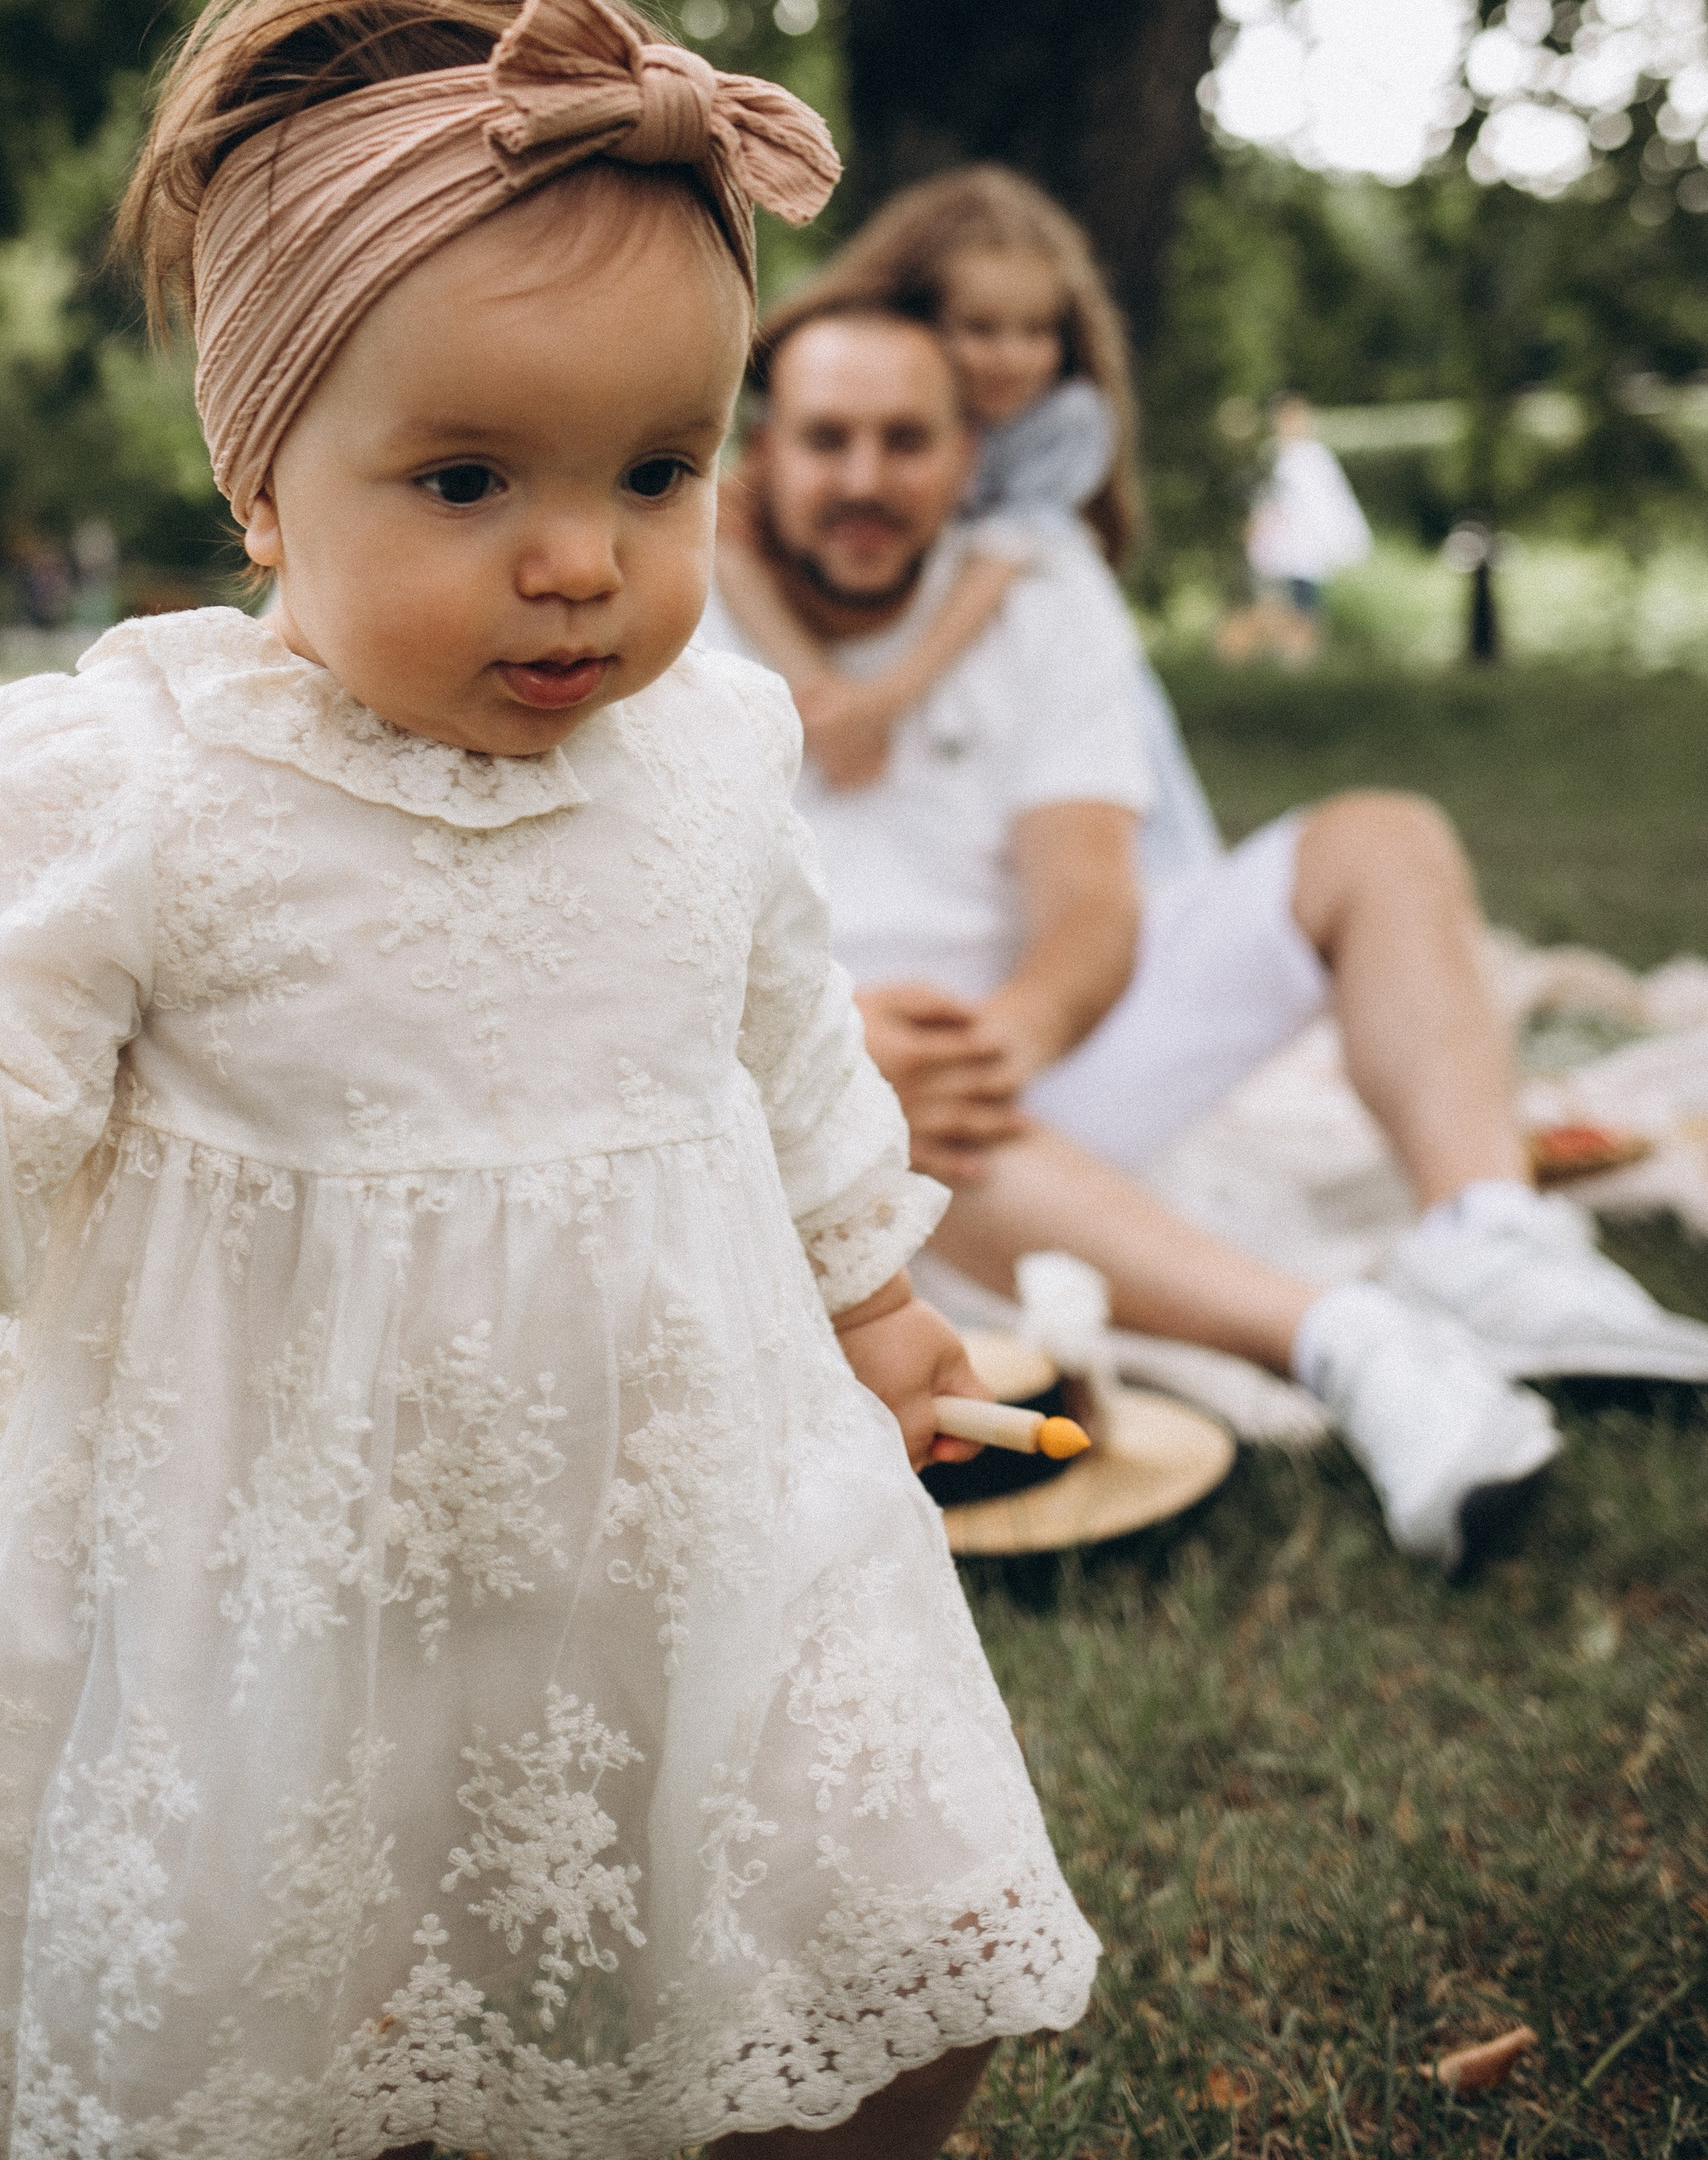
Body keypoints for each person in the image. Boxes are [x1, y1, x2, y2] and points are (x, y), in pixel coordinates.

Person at [0, 0, 1099, 2160]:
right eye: (470, 484)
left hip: (680, 1506)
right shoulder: (153, 782)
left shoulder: (707, 757)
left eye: (659, 471)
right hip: (293, 1553)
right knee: (338, 2001)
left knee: (884, 1941)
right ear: (265, 486)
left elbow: (782, 1047)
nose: (581, 563)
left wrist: (876, 1306)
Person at [700, 291, 1708, 1565]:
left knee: (1380, 841)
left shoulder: (1035, 597)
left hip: (1034, 1048)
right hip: (827, 1094)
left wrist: (1020, 1028)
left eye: (906, 441)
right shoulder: (684, 622)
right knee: (874, 1113)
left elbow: (1088, 896)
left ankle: (1493, 1248)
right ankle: (1355, 1348)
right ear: (765, 450)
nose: (863, 477)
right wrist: (827, 1044)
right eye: (827, 438)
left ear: (968, 455)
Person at [714, 168, 1220, 879]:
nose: (1011, 359)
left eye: (1036, 332)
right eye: (980, 329)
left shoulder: (1055, 432)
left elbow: (994, 566)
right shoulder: (853, 401)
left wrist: (880, 700)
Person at [1224, 393, 1373, 666]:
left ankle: (1298, 665)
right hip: (1274, 555)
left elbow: (1333, 506)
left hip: (1305, 556)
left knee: (1304, 614)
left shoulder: (1316, 458)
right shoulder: (1271, 455)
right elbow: (1261, 503)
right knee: (1272, 611)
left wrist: (1348, 544)